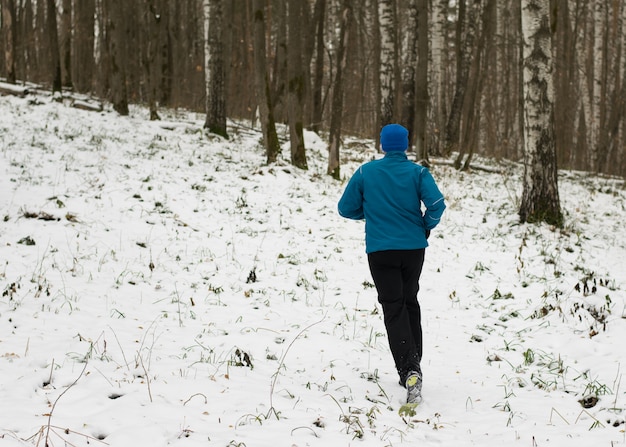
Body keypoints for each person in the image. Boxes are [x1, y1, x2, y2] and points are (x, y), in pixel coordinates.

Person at [337, 123, 446, 405]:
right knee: (409, 301)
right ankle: (413, 365)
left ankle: (409, 370)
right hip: (413, 249)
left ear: (383, 145)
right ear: (406, 145)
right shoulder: (418, 172)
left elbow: (345, 208)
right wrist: (425, 225)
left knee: (393, 306)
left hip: (381, 250)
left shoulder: (366, 172)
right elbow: (436, 204)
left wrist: (372, 212)